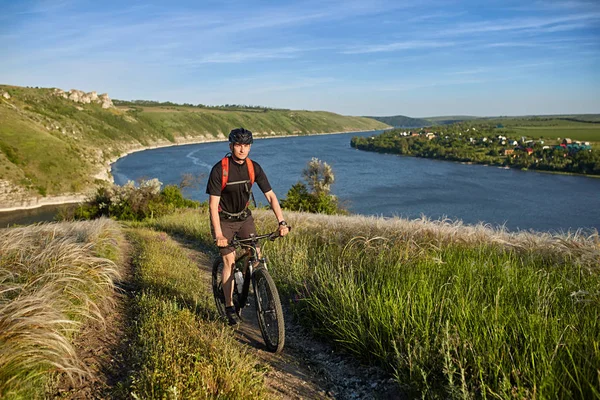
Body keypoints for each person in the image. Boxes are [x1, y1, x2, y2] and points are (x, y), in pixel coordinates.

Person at [206, 127, 289, 325]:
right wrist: (218, 233)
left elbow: (270, 196)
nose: (242, 149)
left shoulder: (254, 168)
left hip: (244, 218)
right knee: (229, 261)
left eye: (246, 145)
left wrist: (282, 221)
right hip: (224, 220)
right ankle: (228, 305)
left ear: (250, 147)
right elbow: (213, 205)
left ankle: (248, 283)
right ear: (231, 146)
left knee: (256, 254)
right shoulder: (220, 169)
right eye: (238, 145)